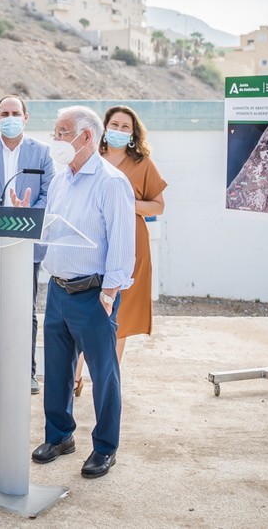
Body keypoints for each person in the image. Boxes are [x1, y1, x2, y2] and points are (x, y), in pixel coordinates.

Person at [28, 105, 135, 480]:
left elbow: (123, 244)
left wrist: (108, 295)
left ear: (86, 136)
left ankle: (105, 448)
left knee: (104, 375)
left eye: (61, 132)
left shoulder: (111, 182)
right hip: (58, 291)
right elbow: (51, 229)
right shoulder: (61, 178)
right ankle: (59, 437)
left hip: (93, 295)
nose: (54, 139)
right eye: (55, 132)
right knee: (56, 372)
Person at [73, 105, 167, 395]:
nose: (119, 131)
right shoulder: (90, 158)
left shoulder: (143, 164)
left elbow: (158, 205)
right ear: (104, 128)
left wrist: (126, 201)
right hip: (92, 243)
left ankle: (107, 382)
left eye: (126, 127)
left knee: (119, 315)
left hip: (130, 245)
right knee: (85, 310)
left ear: (133, 133)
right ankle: (73, 377)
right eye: (114, 124)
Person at [0, 95, 54, 395]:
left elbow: (48, 194)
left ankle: (26, 370)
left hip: (26, 244)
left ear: (26, 117)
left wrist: (24, 218)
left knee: (24, 309)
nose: (10, 117)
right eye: (5, 113)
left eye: (15, 112)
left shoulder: (43, 152)